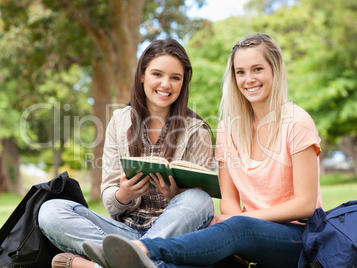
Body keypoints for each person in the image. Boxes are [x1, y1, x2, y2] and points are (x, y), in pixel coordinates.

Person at [88, 33, 323, 268]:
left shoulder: (296, 121)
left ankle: (143, 249)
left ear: (276, 70)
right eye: (240, 72)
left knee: (225, 223)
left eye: (258, 69)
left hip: (295, 235)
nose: (248, 79)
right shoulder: (228, 129)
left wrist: (241, 220)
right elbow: (228, 201)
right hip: (244, 230)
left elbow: (305, 204)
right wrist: (237, 221)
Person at [38, 38, 215, 268]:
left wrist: (174, 195)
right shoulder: (120, 122)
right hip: (124, 231)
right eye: (157, 74)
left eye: (175, 78)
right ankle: (134, 259)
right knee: (51, 210)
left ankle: (108, 263)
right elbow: (110, 199)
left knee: (199, 199)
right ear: (142, 75)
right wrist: (124, 194)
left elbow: (195, 207)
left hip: (173, 235)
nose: (166, 84)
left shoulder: (196, 131)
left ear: (183, 82)